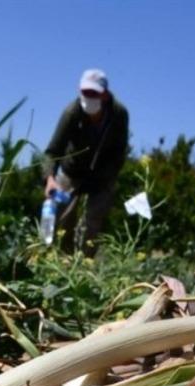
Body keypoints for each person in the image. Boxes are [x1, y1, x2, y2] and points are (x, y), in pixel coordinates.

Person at [42, 68, 130, 255]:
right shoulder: (71, 113)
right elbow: (52, 151)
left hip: (102, 175)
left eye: (94, 93)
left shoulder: (119, 114)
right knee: (64, 221)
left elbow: (120, 151)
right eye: (85, 92)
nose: (89, 96)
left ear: (104, 94)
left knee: (92, 223)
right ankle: (62, 260)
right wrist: (50, 178)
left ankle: (85, 265)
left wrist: (110, 177)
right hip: (72, 171)